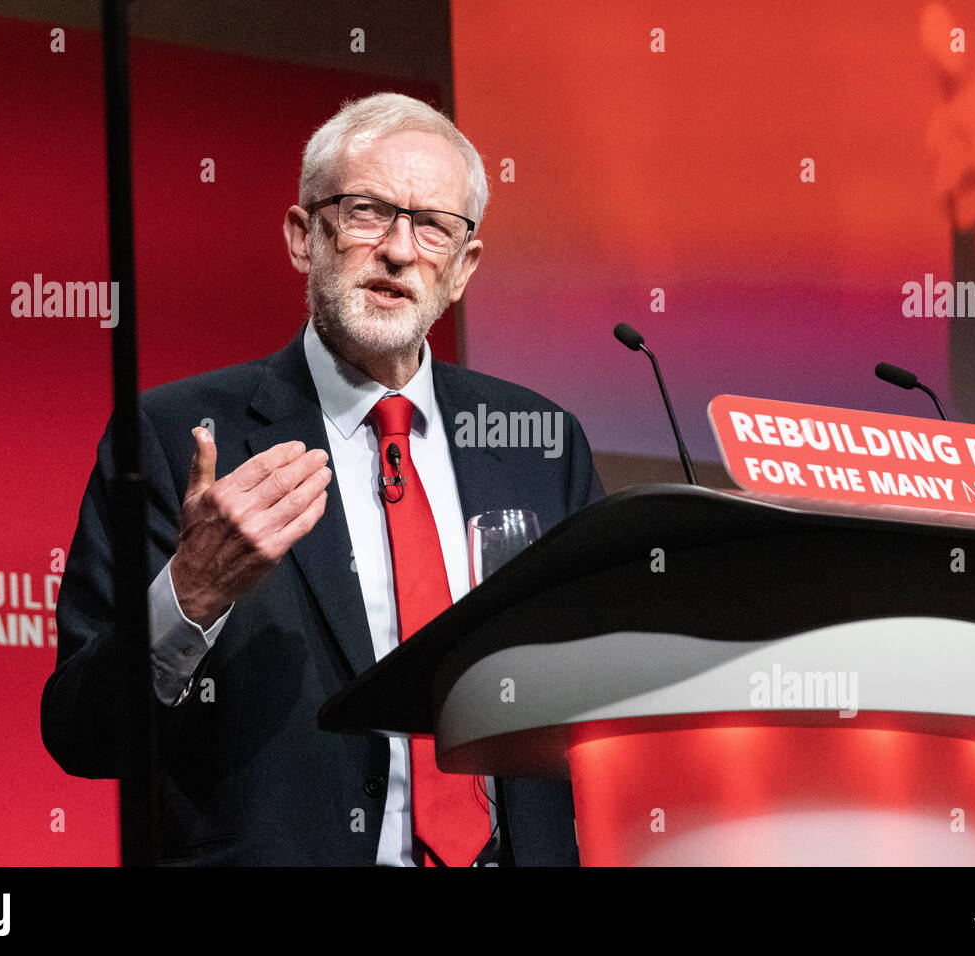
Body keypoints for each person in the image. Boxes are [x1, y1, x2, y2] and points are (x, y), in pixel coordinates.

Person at [41, 92, 604, 865]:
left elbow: (588, 710)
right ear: (304, 236)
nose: (401, 251)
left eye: (433, 225)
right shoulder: (177, 436)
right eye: (369, 211)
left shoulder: (543, 444)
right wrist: (191, 593)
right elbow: (81, 732)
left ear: (463, 267)